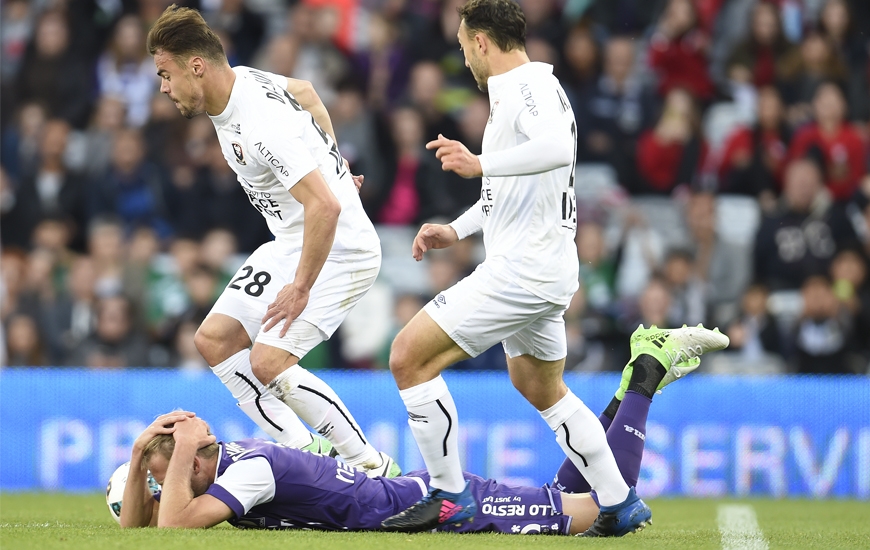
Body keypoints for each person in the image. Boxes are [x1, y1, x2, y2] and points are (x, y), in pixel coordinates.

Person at [380, 0, 729, 536]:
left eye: (461, 45)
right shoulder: (522, 90)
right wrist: (457, 229)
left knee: (408, 357)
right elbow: (509, 189)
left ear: (480, 42)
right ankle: (618, 502)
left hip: (522, 270)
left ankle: (449, 497)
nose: (462, 57)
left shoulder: (526, 88)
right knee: (541, 387)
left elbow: (558, 149)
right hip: (542, 269)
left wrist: (479, 162)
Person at [118, 328, 724, 533]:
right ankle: (626, 389)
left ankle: (645, 375)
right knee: (570, 500)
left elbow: (172, 528)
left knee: (604, 519)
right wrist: (147, 447)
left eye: (170, 474)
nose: (171, 486)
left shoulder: (245, 470)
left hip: (433, 508)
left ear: (196, 459)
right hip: (409, 495)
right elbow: (146, 525)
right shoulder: (227, 465)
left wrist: (170, 457)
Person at [145, 5, 397, 477]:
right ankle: (307, 457)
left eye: (165, 73)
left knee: (269, 361)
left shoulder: (258, 124)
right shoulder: (242, 80)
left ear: (195, 66)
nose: (163, 87)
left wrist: (300, 286)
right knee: (215, 340)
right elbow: (306, 92)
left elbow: (326, 207)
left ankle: (370, 465)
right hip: (292, 238)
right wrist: (332, 161)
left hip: (340, 247)